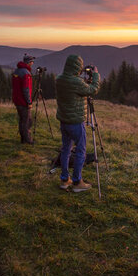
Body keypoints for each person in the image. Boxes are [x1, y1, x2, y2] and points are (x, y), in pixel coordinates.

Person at [55, 55, 100, 192]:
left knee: (66, 149)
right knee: (81, 150)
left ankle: (64, 180)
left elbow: (76, 87)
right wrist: (96, 75)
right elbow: (93, 90)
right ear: (77, 67)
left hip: (64, 120)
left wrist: (83, 81)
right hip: (75, 122)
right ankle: (77, 182)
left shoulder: (60, 79)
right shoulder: (76, 83)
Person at [12, 54, 35, 144]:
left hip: (17, 100)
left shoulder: (17, 71)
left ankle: (23, 139)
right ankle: (27, 140)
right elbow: (26, 89)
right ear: (29, 62)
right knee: (26, 121)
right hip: (23, 101)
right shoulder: (26, 74)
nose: (33, 63)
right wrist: (29, 101)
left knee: (22, 120)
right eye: (32, 61)